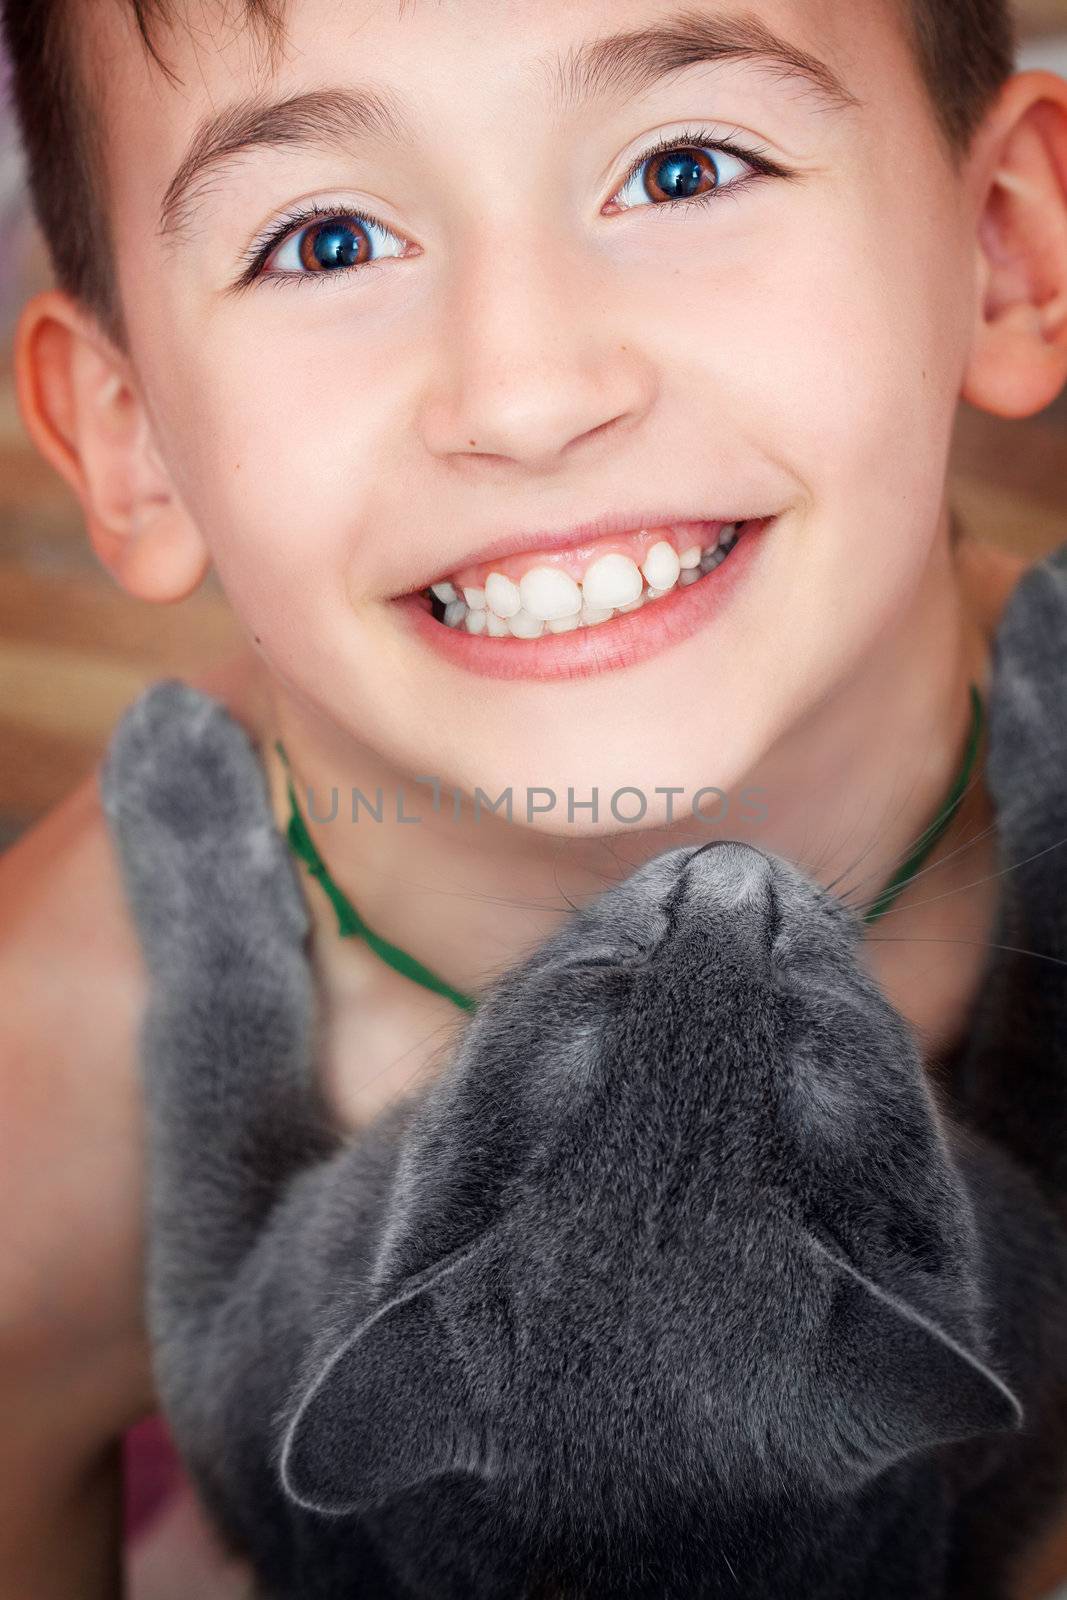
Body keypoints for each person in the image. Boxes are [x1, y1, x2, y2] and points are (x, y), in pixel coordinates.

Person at [0, 0, 1065, 1594]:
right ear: (134, 438)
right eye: (329, 240)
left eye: (688, 167)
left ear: (1002, 252)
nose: (526, 395)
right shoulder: (44, 1119)